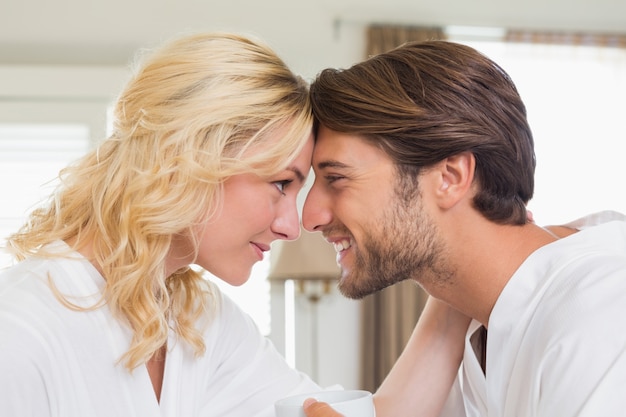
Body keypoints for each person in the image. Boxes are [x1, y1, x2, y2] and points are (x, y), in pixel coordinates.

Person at [0, 32, 471, 417]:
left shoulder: (199, 318)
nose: (293, 225)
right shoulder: (20, 330)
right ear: (188, 156)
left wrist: (454, 278)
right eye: (282, 183)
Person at [301, 40, 626, 416]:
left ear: (450, 176)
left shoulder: (601, 311)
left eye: (337, 178)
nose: (309, 217)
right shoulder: (479, 319)